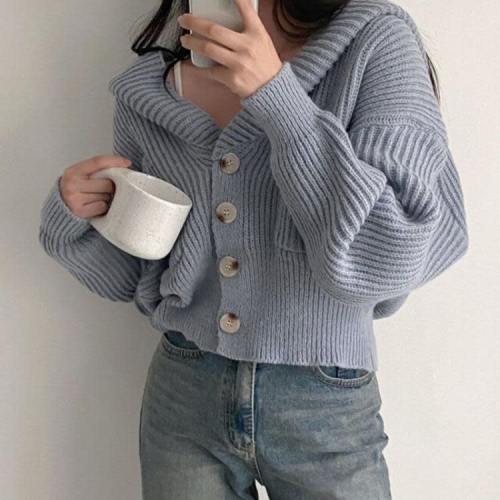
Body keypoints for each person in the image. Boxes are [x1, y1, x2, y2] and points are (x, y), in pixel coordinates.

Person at [38, 0, 469, 497]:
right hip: (183, 393)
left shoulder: (373, 44)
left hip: (322, 401)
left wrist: (277, 99)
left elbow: (389, 253)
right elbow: (141, 273)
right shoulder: (149, 94)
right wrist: (79, 212)